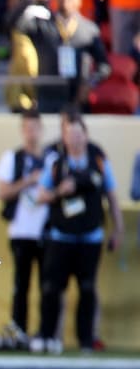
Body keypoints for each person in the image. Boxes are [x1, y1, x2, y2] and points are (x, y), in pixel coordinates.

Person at [34, 113, 123, 353]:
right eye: (69, 134)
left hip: (90, 235)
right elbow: (40, 196)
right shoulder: (56, 162)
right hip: (61, 235)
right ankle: (48, 337)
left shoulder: (98, 159)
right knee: (52, 288)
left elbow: (112, 195)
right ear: (63, 136)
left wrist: (118, 229)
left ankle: (86, 340)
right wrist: (59, 191)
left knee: (87, 288)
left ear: (85, 134)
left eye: (78, 133)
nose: (74, 139)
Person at [0, 110, 49, 348]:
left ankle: (46, 334)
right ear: (22, 130)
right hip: (21, 229)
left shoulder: (53, 159)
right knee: (21, 285)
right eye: (27, 128)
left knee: (48, 285)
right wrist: (29, 180)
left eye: (35, 127)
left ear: (41, 129)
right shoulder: (12, 158)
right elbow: (3, 192)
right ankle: (19, 332)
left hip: (47, 230)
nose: (31, 133)